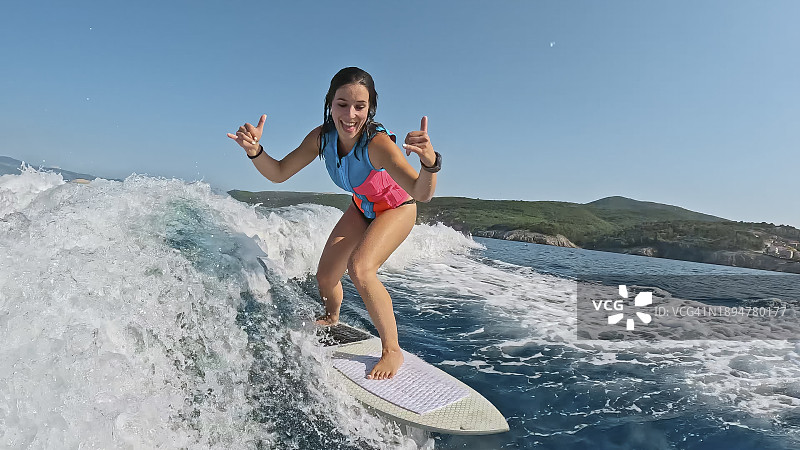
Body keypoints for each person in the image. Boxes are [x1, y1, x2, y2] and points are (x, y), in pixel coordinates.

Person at [227, 67, 441, 380]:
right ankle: (331, 318)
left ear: (370, 109)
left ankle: (392, 350)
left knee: (360, 269)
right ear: (330, 104)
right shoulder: (321, 138)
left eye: (360, 106)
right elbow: (279, 172)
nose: (350, 114)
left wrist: (429, 162)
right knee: (326, 276)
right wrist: (255, 151)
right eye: (342, 104)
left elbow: (422, 193)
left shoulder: (378, 144)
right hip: (363, 205)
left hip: (397, 207)